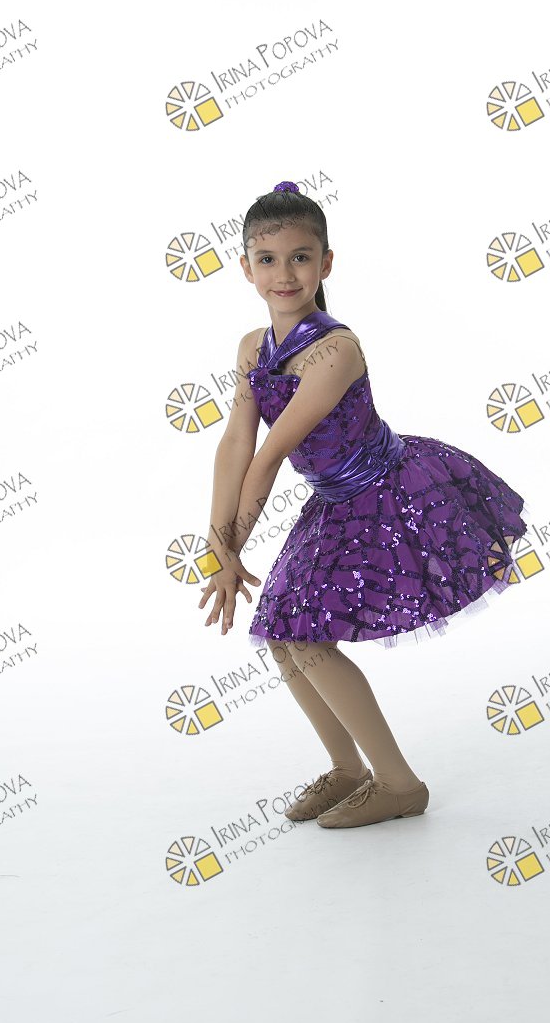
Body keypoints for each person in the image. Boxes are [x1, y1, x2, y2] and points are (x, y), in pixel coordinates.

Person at [198, 181, 532, 830]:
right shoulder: (251, 347)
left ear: (325, 263)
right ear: (245, 268)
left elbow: (269, 457)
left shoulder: (335, 349)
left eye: (301, 257)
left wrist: (230, 550)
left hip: (384, 494)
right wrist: (219, 548)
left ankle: (400, 785)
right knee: (282, 634)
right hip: (332, 501)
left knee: (306, 638)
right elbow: (236, 444)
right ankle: (347, 770)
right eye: (267, 259)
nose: (284, 273)